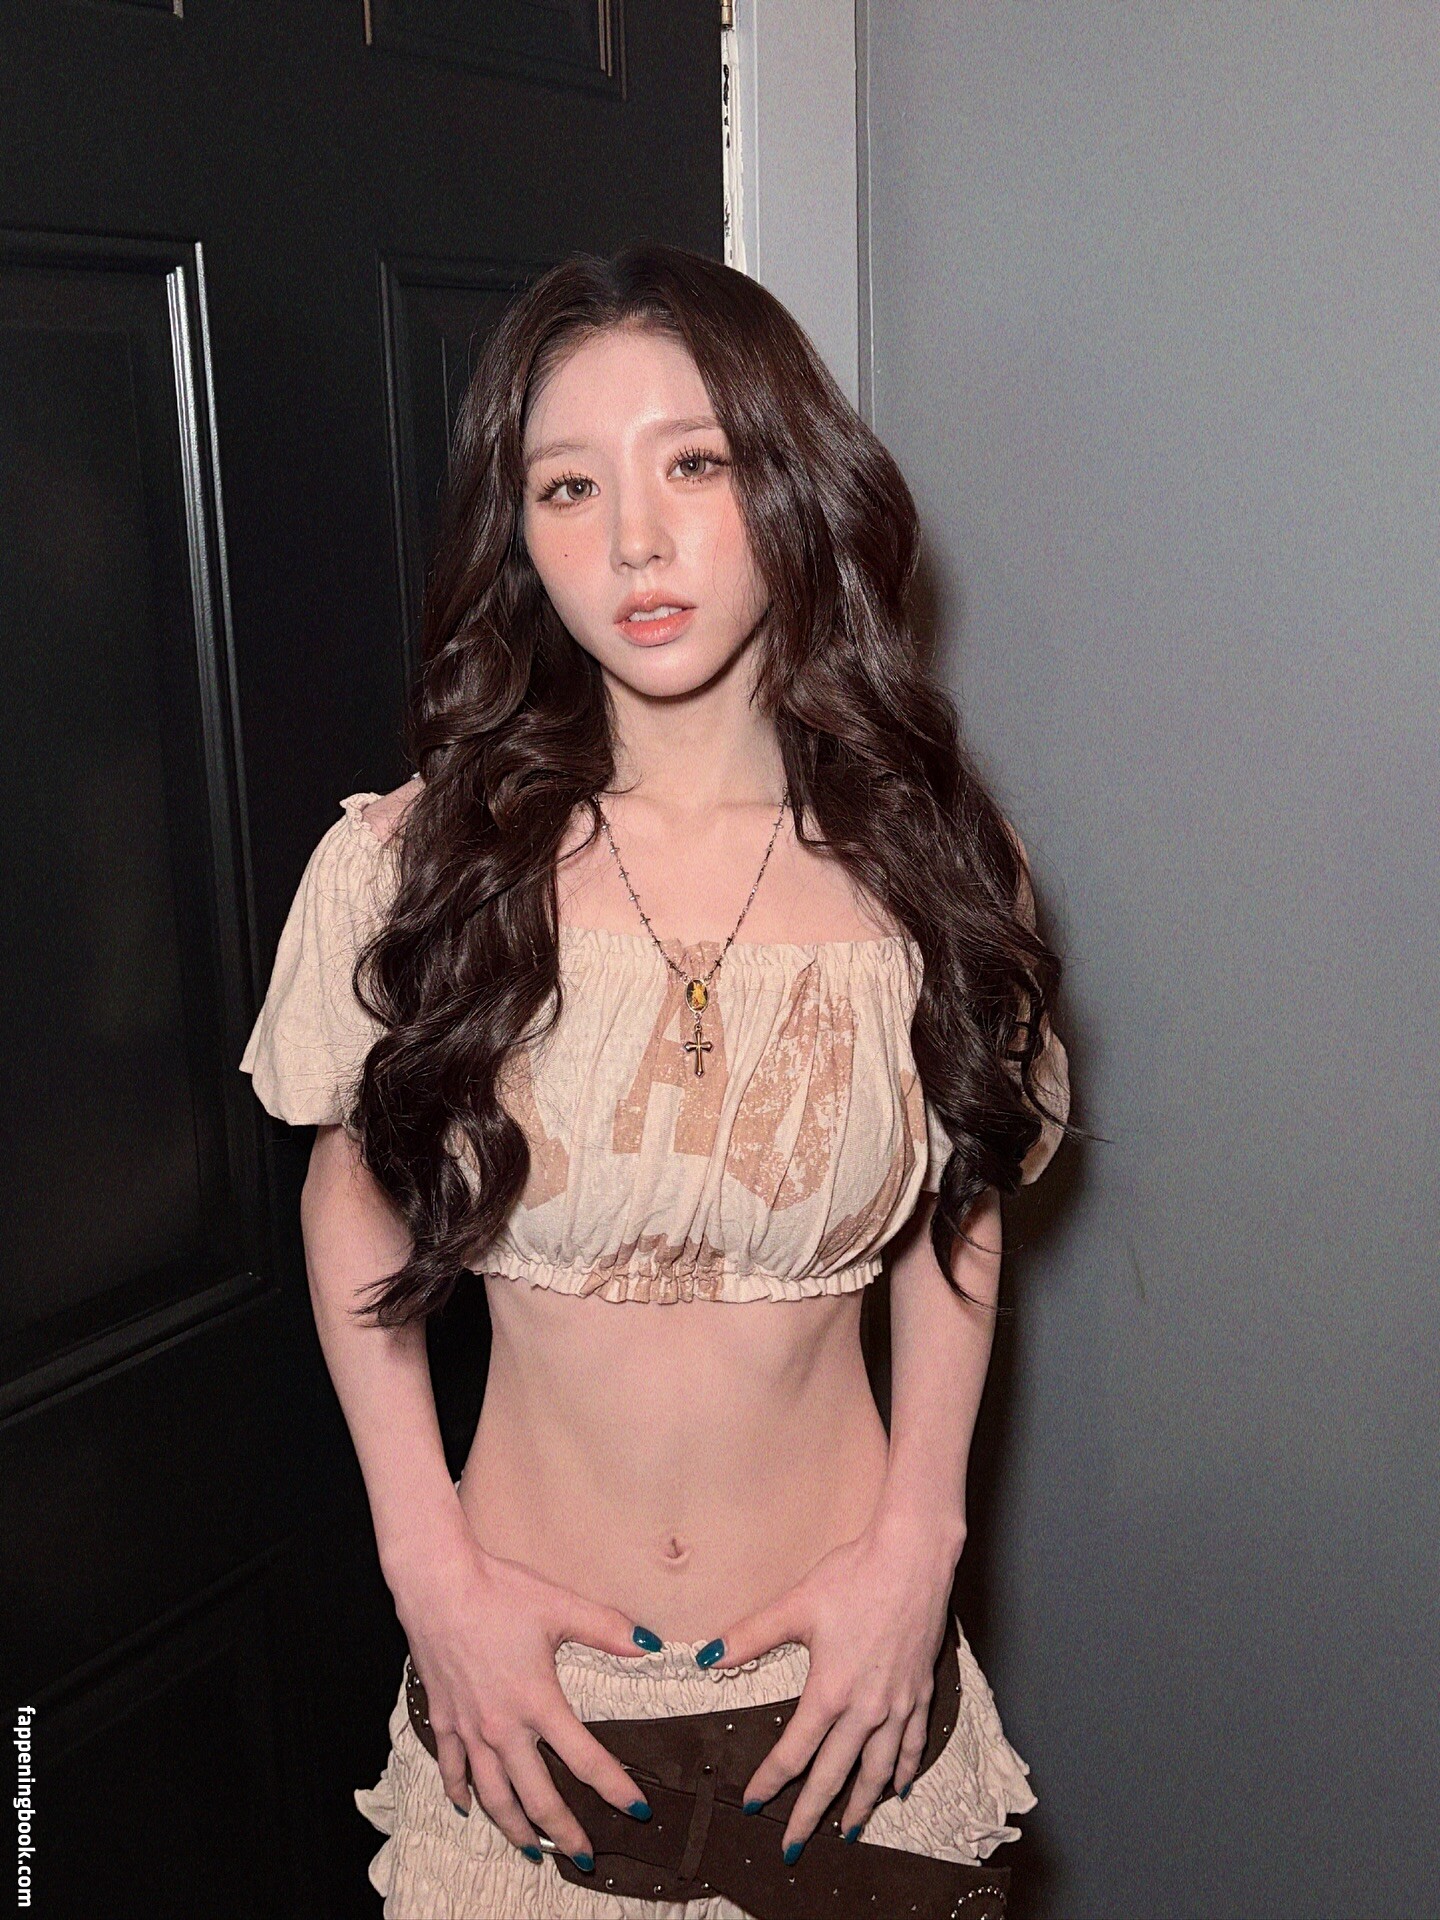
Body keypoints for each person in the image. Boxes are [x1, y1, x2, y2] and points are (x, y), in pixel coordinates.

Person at [240, 245, 1072, 1920]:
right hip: (526, 1708)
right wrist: (427, 1570)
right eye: (568, 485)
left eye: (693, 462)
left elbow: (958, 1205)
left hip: (850, 1701)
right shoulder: (413, 870)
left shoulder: (939, 867)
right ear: (518, 530)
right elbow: (348, 1190)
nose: (632, 539)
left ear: (789, 478)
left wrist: (921, 1550)